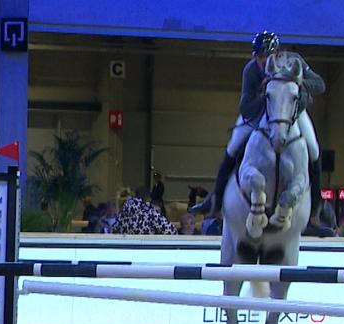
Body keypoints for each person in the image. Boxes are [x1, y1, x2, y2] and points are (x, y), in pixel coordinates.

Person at [189, 31, 326, 217]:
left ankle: (317, 208)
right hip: (259, 114)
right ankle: (214, 200)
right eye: (258, 56)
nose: (260, 61)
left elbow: (319, 84)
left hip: (292, 112)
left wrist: (298, 85)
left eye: (264, 56)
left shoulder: (294, 62)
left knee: (314, 149)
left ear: (276, 54)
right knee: (233, 147)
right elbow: (245, 108)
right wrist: (266, 94)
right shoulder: (251, 70)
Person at [113, 186, 177, 235]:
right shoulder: (151, 214)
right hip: (147, 250)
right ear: (148, 198)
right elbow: (171, 231)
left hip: (126, 250)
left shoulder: (123, 214)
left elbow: (114, 230)